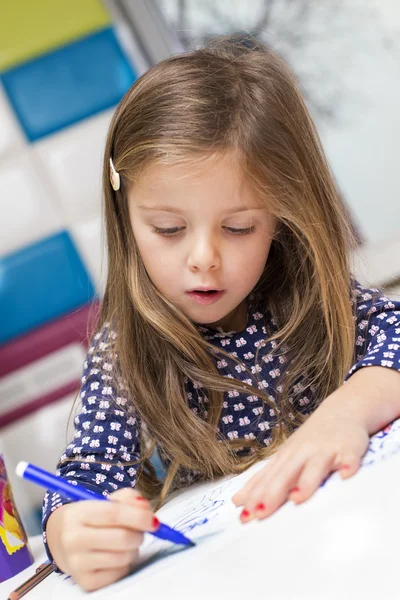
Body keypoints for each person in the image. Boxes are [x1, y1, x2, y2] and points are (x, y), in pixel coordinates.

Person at [42, 34, 400, 592]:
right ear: (125, 214)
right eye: (168, 229)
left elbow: (395, 334)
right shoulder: (127, 350)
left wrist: (346, 413)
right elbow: (85, 473)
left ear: (282, 215)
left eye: (238, 228)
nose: (203, 259)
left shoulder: (300, 294)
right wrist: (71, 533)